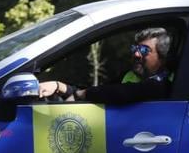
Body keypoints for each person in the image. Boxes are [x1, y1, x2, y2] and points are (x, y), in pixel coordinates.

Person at [38, 27, 173, 105]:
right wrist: (61, 87)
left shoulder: (166, 82)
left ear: (162, 55)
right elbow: (102, 90)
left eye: (144, 50)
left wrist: (83, 93)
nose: (136, 54)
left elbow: (125, 93)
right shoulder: (132, 75)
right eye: (135, 49)